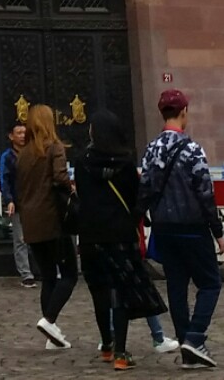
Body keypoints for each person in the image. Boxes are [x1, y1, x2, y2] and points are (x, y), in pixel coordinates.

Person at [139, 88, 221, 369]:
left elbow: (145, 187)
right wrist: (217, 230)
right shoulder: (192, 149)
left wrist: (145, 217)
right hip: (192, 226)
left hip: (164, 227)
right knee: (210, 283)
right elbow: (205, 192)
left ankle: (187, 345)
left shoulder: (151, 149)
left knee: (176, 286)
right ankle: (195, 337)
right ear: (184, 111)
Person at [75, 113, 162, 370]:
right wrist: (133, 218)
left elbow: (82, 194)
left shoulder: (82, 162)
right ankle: (121, 353)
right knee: (120, 293)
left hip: (90, 234)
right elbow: (136, 196)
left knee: (99, 291)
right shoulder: (125, 163)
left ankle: (106, 344)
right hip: (120, 235)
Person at [13, 103, 79, 349]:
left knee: (48, 276)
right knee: (69, 274)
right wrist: (73, 189)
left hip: (31, 222)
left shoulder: (24, 154)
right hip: (52, 220)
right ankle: (50, 320)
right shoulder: (54, 147)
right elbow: (60, 177)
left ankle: (52, 333)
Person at [0, 120, 37, 283]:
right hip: (18, 202)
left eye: (24, 133)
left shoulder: (34, 153)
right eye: (19, 133)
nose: (22, 136)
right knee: (20, 238)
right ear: (11, 136)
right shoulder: (7, 157)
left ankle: (40, 269)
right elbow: (5, 180)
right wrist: (9, 200)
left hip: (35, 201)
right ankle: (26, 273)